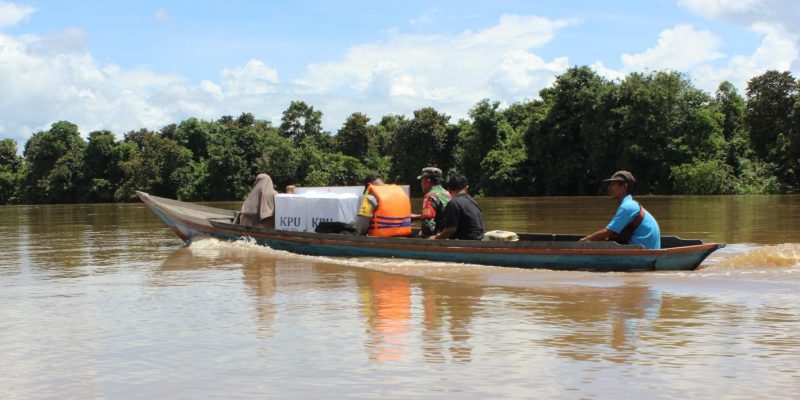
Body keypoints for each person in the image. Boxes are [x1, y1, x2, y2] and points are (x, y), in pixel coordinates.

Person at [580, 170, 661, 249]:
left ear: (624, 186)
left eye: (613, 184)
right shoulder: (630, 203)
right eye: (610, 185)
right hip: (646, 247)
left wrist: (585, 240)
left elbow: (607, 232)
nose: (609, 188)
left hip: (644, 250)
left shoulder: (627, 206)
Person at [354, 172, 413, 237]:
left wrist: (357, 234)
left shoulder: (371, 197)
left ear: (369, 185)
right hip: (404, 235)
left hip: (380, 240)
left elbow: (362, 225)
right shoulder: (401, 193)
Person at [431, 174, 485, 240]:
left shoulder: (453, 203)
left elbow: (450, 230)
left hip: (467, 243)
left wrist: (436, 238)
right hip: (479, 240)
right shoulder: (473, 202)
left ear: (449, 190)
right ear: (466, 188)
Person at [417, 167, 451, 238]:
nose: (421, 184)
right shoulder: (449, 194)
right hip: (449, 236)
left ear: (427, 181)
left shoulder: (430, 196)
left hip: (437, 240)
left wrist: (423, 238)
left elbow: (428, 225)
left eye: (422, 181)